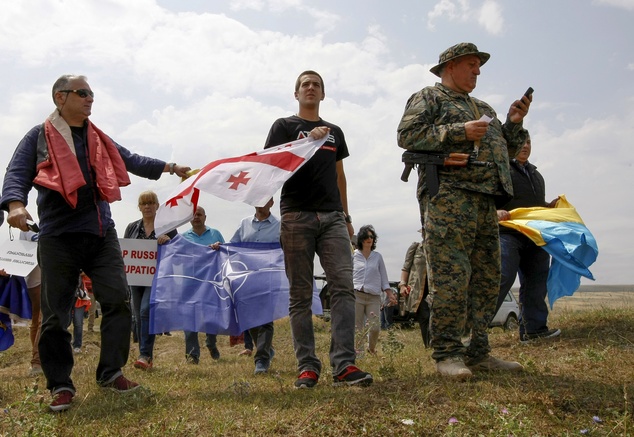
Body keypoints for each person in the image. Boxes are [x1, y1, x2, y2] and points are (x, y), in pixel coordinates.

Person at [0, 74, 190, 412]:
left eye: (91, 93)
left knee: (118, 301)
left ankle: (110, 372)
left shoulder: (98, 138)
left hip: (101, 234)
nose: (90, 98)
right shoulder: (38, 137)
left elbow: (131, 159)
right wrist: (15, 204)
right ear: (61, 97)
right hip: (58, 237)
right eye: (82, 93)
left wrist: (172, 167)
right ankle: (60, 384)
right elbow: (16, 173)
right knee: (56, 316)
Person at [397, 43, 529, 379]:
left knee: (486, 279)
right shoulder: (430, 97)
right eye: (472, 65)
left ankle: (478, 352)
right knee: (452, 276)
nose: (477, 71)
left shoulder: (482, 106)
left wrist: (513, 123)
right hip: (448, 196)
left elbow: (505, 150)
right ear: (450, 65)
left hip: (486, 200)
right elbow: (407, 135)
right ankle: (447, 354)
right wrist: (459, 131)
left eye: (479, 66)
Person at [264, 70, 372, 388]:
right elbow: (272, 163)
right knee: (300, 294)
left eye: (316, 85)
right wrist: (304, 143)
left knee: (342, 288)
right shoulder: (284, 127)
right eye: (305, 84)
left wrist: (347, 215)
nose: (311, 88)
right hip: (296, 216)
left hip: (333, 217)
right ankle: (307, 366)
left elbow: (340, 176)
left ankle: (343, 365)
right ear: (296, 93)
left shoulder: (335, 132)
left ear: (323, 94)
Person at [495, 134, 561, 343]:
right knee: (501, 279)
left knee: (537, 281)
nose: (525, 146)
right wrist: (494, 211)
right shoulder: (500, 168)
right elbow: (484, 197)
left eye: (529, 142)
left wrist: (548, 207)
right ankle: (472, 333)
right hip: (506, 234)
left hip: (534, 235)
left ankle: (533, 330)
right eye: (521, 141)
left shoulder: (536, 175)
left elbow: (532, 206)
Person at [213, 198, 280, 374]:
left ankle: (262, 360)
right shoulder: (244, 224)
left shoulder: (280, 226)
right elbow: (233, 245)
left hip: (268, 279)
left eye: (265, 199)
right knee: (250, 318)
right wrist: (220, 246)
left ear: (271, 202)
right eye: (258, 198)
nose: (261, 202)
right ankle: (266, 349)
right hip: (247, 278)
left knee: (265, 319)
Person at [124, 190, 177, 370]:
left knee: (146, 310)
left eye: (151, 203)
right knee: (138, 315)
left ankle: (144, 354)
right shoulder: (132, 227)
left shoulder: (167, 227)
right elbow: (126, 251)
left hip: (157, 277)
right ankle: (145, 356)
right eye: (144, 203)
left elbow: (177, 250)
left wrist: (168, 241)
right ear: (139, 207)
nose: (147, 206)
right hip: (135, 277)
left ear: (157, 206)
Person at [181, 206, 223, 364]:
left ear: (205, 217)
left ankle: (211, 343)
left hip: (211, 283)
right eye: (193, 215)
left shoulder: (215, 234)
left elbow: (225, 254)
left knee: (211, 318)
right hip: (189, 284)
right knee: (189, 318)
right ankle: (192, 355)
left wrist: (219, 247)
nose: (196, 217)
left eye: (199, 214)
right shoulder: (183, 237)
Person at [352, 225, 396, 355]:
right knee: (357, 327)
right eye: (366, 237)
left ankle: (371, 348)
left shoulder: (378, 257)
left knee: (375, 327)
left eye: (371, 236)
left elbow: (383, 277)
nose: (369, 239)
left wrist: (389, 293)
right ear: (361, 239)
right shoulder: (354, 256)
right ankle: (359, 352)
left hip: (373, 296)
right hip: (356, 295)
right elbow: (347, 274)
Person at [398, 229, 431, 348]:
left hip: (435, 290)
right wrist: (402, 285)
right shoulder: (416, 248)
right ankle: (428, 346)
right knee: (425, 316)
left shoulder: (440, 250)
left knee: (436, 317)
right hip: (419, 290)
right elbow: (406, 268)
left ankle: (437, 345)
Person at [70, 273, 91, 354]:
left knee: (78, 322)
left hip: (80, 297)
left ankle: (77, 346)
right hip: (66, 296)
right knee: (65, 322)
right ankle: (65, 342)